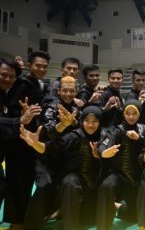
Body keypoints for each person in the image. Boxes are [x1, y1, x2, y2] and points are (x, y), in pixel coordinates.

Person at [20, 106, 105, 229]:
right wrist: (36, 144)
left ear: (100, 122)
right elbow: (49, 148)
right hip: (74, 183)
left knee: (88, 220)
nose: (90, 125)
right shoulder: (74, 136)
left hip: (94, 184)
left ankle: (60, 212)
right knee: (70, 182)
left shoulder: (105, 135)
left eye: (95, 121)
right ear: (82, 121)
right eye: (87, 121)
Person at [24, 76, 79, 230]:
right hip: (45, 155)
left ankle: (53, 215)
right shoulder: (51, 107)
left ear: (76, 91)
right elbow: (48, 132)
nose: (68, 93)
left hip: (65, 158)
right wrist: (62, 125)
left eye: (71, 90)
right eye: (65, 90)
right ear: (59, 91)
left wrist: (74, 122)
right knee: (44, 184)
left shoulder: (76, 108)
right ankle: (31, 226)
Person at [4, 50, 50, 229]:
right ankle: (16, 223)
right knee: (18, 184)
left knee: (27, 183)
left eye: (45, 67)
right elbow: (10, 109)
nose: (41, 69)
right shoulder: (22, 83)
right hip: (18, 143)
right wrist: (21, 113)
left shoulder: (39, 84)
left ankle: (24, 219)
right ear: (30, 65)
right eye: (38, 65)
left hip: (31, 142)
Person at [97, 99, 145, 229]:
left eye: (134, 113)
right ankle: (103, 226)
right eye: (127, 113)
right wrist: (104, 152)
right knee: (106, 186)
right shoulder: (118, 130)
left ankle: (117, 206)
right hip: (119, 175)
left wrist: (139, 138)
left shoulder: (144, 130)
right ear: (123, 114)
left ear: (139, 114)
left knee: (134, 216)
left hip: (136, 178)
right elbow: (104, 144)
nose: (131, 117)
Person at [0, 58, 41, 221]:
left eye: (11, 77)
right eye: (3, 75)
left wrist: (20, 114)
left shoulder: (4, 95)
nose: (8, 79)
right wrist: (20, 120)